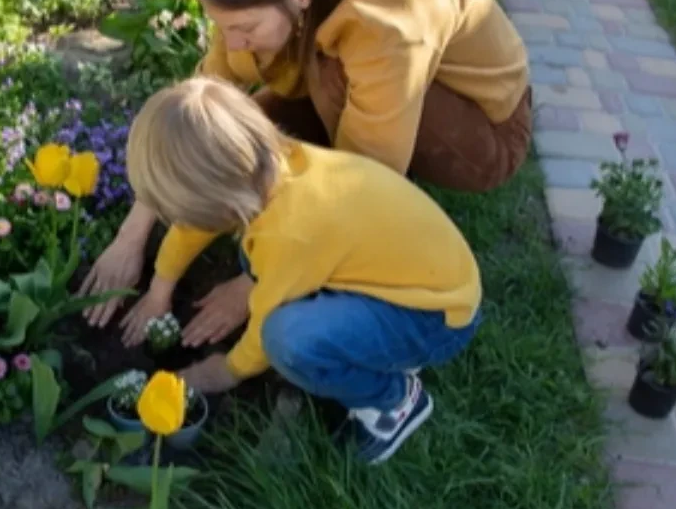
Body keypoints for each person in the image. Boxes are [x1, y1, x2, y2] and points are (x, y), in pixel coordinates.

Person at [79, 0, 529, 344]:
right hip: (344, 82)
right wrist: (132, 236)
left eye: (244, 28)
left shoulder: (384, 21)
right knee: (228, 137)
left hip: (481, 129)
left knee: (322, 97)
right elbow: (195, 123)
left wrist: (257, 284)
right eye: (221, 27)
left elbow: (359, 190)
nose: (231, 42)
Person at [125, 78, 482, 463]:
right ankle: (373, 341)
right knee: (257, 259)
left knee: (288, 340)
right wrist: (159, 289)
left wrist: (224, 372)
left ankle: (393, 402)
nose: (180, 221)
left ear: (219, 199)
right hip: (423, 274)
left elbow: (263, 329)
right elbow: (195, 226)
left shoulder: (290, 233)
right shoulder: (274, 167)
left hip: (437, 318)